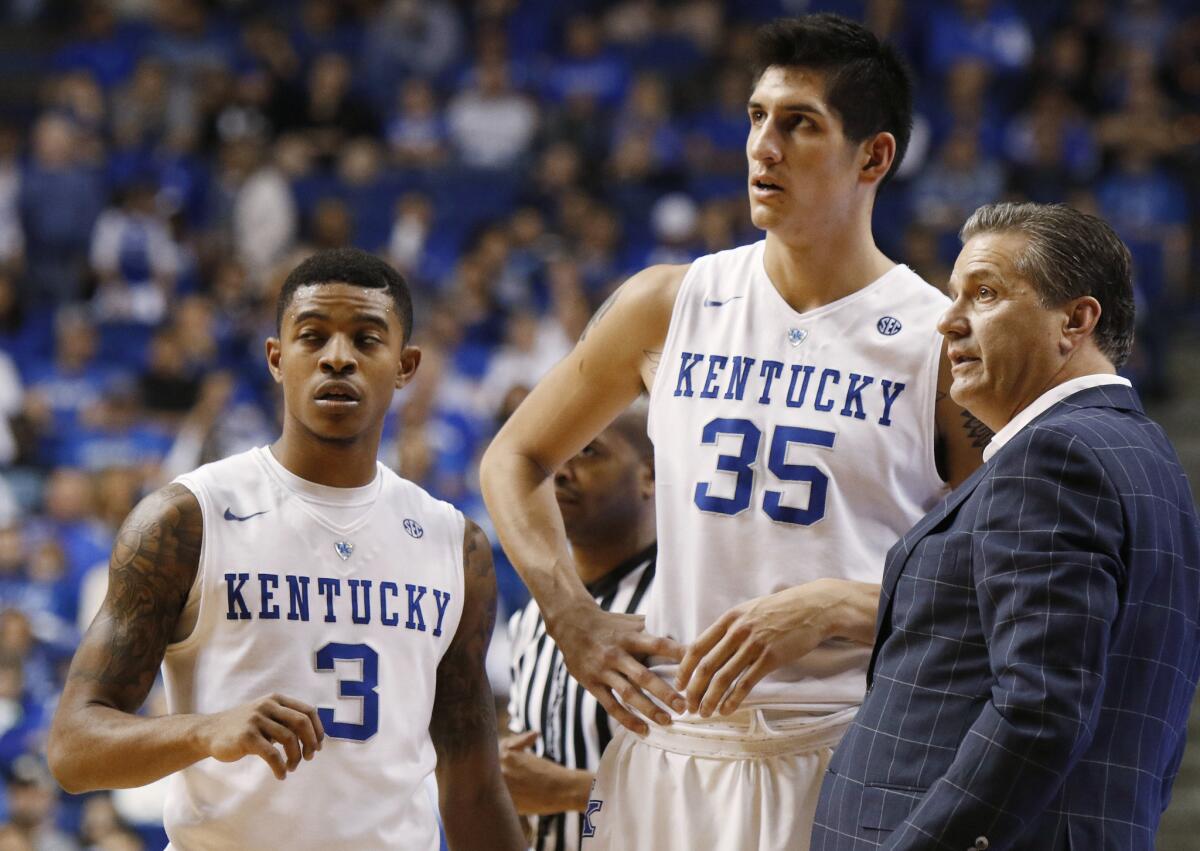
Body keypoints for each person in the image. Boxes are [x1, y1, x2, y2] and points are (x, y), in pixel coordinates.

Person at [480, 14, 986, 849]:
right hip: (674, 749)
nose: (764, 146)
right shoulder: (668, 302)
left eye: (800, 124)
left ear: (875, 157)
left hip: (852, 745)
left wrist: (838, 607)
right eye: (756, 117)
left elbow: (993, 587)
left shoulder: (939, 342)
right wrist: (570, 612)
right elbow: (516, 456)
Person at [47, 248, 524, 851]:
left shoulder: (453, 543)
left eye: (367, 340)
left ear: (405, 366)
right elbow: (72, 751)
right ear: (277, 358)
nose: (338, 357)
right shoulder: (187, 518)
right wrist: (203, 731)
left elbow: (473, 786)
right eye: (312, 336)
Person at [811, 202, 1200, 850]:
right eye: (953, 293)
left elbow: (1038, 711)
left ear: (1074, 320)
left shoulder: (1054, 459)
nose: (949, 319)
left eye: (984, 293)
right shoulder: (1148, 460)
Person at [503, 402, 657, 851]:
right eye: (552, 457)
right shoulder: (532, 617)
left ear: (649, 476)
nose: (561, 472)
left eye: (587, 451)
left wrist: (573, 792)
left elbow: (722, 785)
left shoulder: (678, 611)